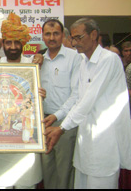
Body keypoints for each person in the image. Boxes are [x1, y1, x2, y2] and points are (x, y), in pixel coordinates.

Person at [45, 18, 131, 189]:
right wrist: (56, 116)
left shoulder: (108, 59)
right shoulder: (83, 62)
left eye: (78, 37)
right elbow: (76, 98)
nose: (74, 42)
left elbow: (88, 101)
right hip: (85, 142)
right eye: (72, 38)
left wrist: (61, 128)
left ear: (94, 35)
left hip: (104, 142)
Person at [0, 13, 44, 189]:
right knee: (2, 183)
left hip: (26, 138)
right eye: (8, 42)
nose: (12, 47)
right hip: (1, 139)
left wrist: (40, 95)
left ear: (23, 43)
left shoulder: (33, 66)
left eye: (16, 42)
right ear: (3, 44)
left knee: (26, 184)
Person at [40, 19, 82, 189]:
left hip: (64, 123)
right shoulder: (38, 61)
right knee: (47, 169)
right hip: (43, 122)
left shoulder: (75, 58)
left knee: (64, 171)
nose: (52, 37)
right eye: (48, 34)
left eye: (56, 33)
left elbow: (77, 94)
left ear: (63, 35)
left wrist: (57, 116)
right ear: (42, 36)